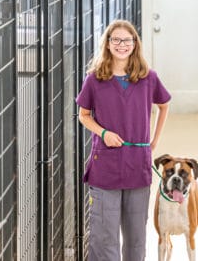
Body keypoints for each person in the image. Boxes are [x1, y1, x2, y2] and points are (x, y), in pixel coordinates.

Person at [76, 19, 171, 261]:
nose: (121, 45)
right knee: (104, 236)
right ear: (107, 44)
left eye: (127, 40)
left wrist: (154, 141)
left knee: (136, 237)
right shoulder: (94, 79)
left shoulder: (148, 78)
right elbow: (83, 115)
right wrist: (104, 133)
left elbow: (164, 105)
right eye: (115, 40)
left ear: (135, 44)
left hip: (137, 165)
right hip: (105, 166)